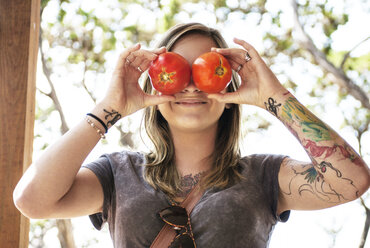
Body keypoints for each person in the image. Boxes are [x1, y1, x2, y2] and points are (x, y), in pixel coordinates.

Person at [13, 23, 369, 248]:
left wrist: (274, 97)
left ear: (230, 95)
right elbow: (31, 201)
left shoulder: (264, 176)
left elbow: (351, 181)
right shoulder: (117, 174)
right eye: (177, 71)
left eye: (207, 72)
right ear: (155, 92)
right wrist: (110, 108)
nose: (190, 87)